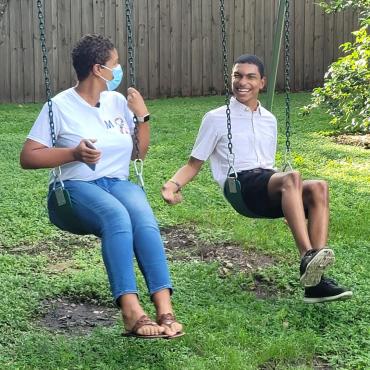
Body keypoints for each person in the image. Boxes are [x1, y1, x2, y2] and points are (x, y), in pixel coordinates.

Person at [20, 34, 183, 338]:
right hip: (75, 187)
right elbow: (28, 156)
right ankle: (131, 311)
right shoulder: (59, 106)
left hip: (116, 182)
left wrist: (143, 117)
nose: (118, 69)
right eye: (115, 64)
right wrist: (73, 153)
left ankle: (164, 308)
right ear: (98, 69)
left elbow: (137, 153)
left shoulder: (116, 101)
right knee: (116, 217)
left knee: (144, 220)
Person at [161, 54, 352, 304]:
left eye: (250, 77)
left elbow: (268, 168)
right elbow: (193, 164)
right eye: (237, 76)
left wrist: (290, 204)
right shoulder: (216, 118)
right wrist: (172, 185)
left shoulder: (269, 120)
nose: (243, 82)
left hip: (268, 183)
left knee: (319, 187)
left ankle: (315, 284)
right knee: (292, 177)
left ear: (262, 82)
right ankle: (308, 257)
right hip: (241, 186)